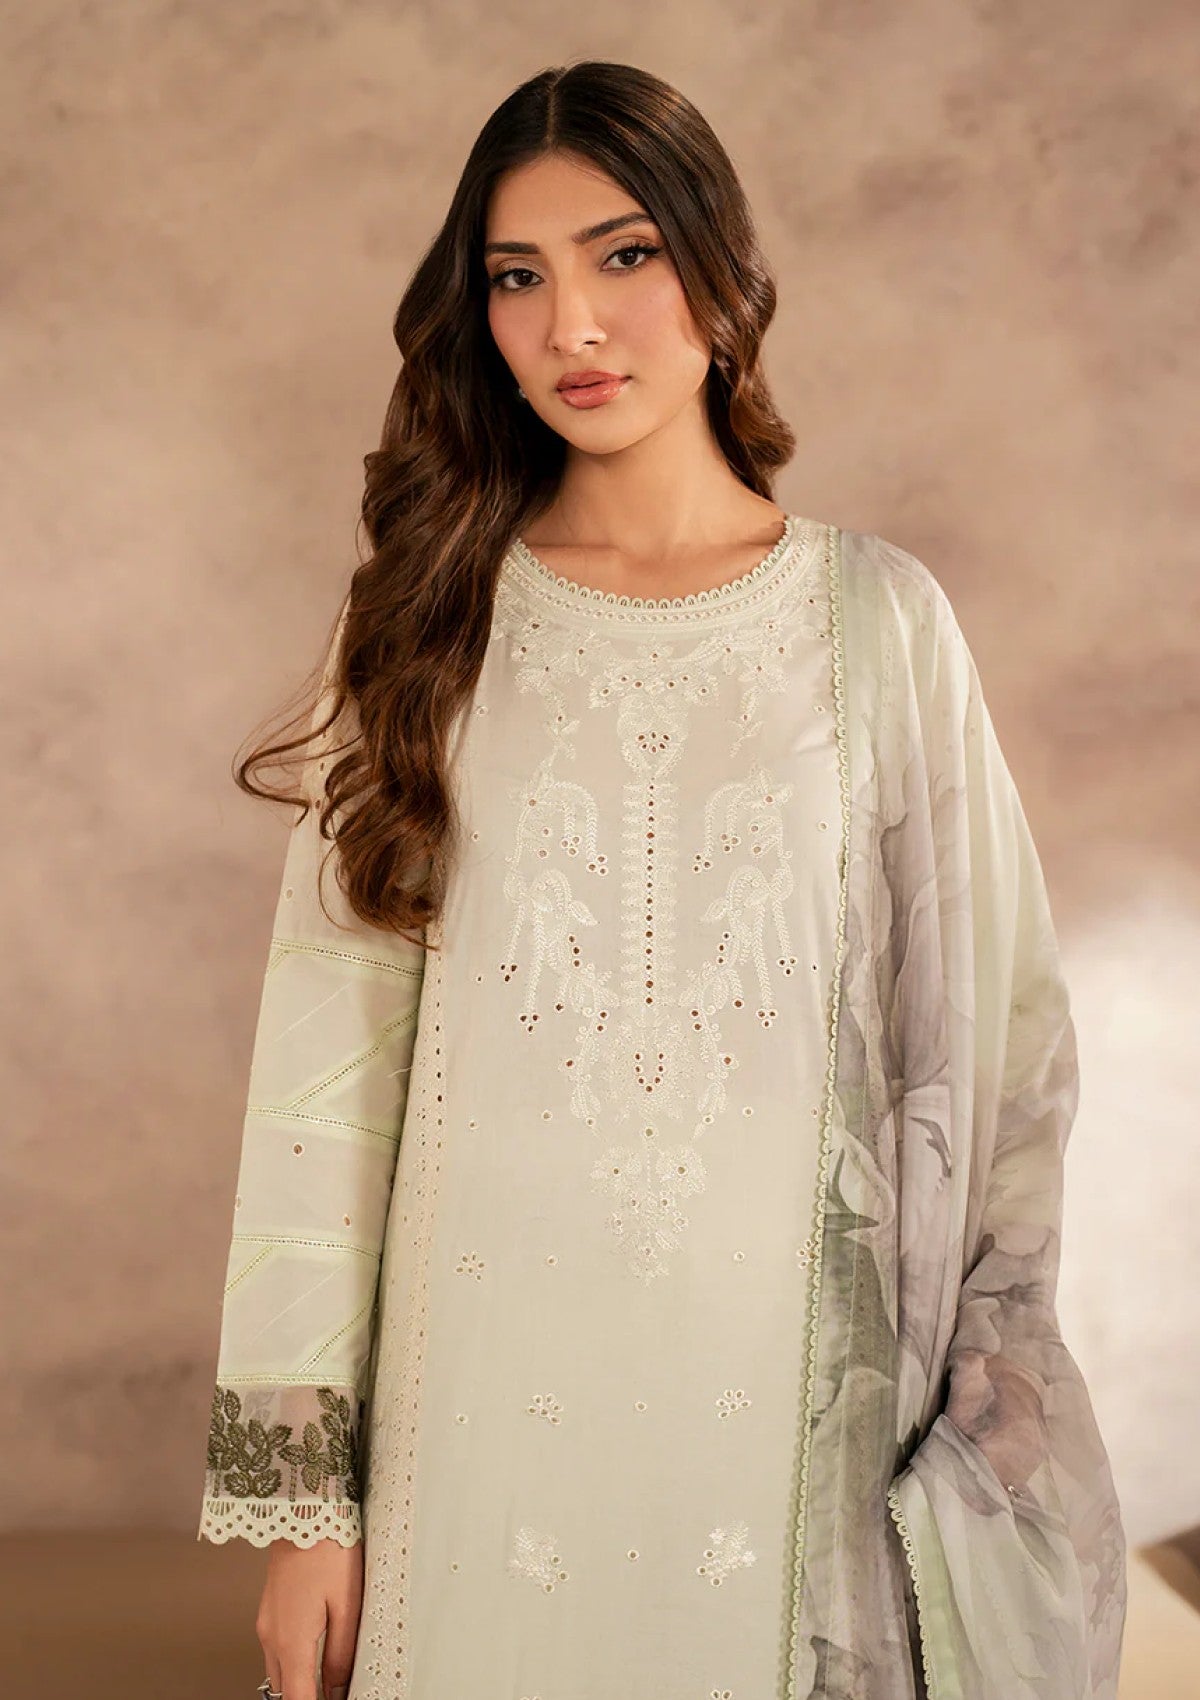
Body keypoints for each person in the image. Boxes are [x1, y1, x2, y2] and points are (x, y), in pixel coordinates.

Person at [197, 59, 1128, 1700]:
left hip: (791, 1436)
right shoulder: (425, 628)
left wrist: (972, 1434)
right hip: (477, 1431)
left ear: (721, 269)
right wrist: (306, 1511)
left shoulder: (880, 627)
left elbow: (1005, 1056)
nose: (573, 325)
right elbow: (323, 1089)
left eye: (623, 255)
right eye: (517, 276)